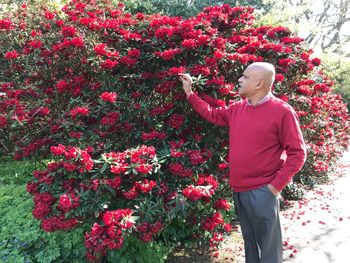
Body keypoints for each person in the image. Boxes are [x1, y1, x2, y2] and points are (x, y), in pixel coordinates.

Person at [179, 62, 307, 263]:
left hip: (263, 191)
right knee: (250, 245)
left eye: (246, 77)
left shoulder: (282, 111)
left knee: (269, 250)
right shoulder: (237, 109)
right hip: (239, 190)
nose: (240, 79)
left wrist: (274, 187)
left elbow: (298, 153)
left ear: (259, 83)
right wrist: (190, 93)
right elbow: (212, 114)